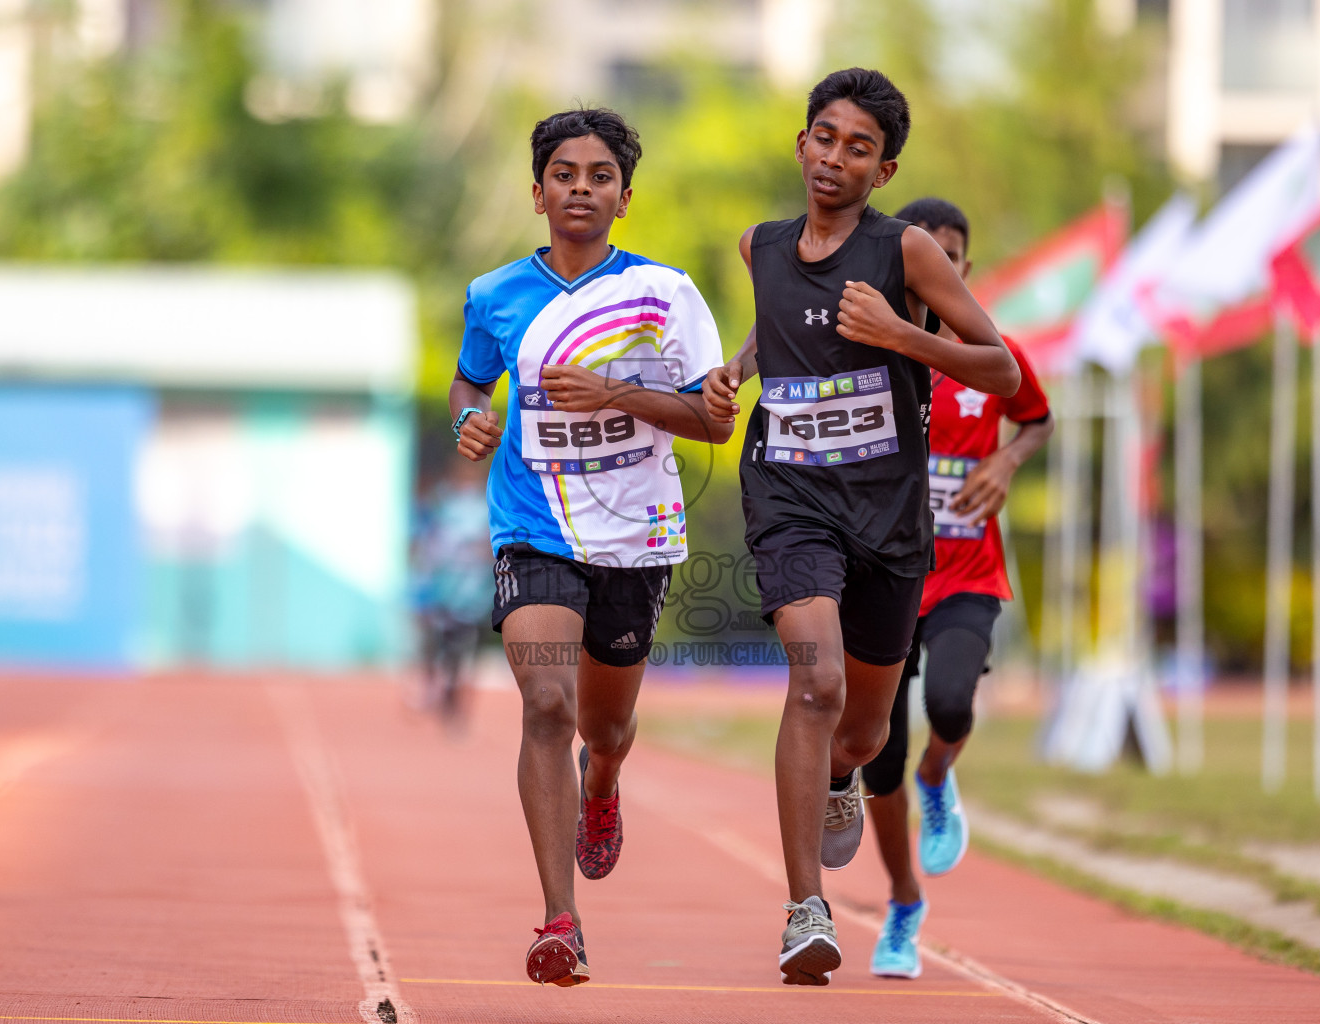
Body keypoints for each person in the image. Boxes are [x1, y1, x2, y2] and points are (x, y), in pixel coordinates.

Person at [703, 69, 1019, 986]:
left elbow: (999, 369)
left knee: (866, 730)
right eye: (825, 138)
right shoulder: (759, 245)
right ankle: (807, 909)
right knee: (816, 681)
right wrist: (735, 370)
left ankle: (844, 777)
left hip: (888, 513)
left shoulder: (908, 252)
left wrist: (901, 336)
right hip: (792, 497)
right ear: (801, 144)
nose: (836, 158)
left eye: (860, 148)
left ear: (884, 171)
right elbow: (783, 333)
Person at [450, 107, 730, 986]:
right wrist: (469, 418)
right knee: (544, 702)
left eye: (599, 175)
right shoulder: (494, 295)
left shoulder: (667, 294)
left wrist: (614, 393)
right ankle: (558, 920)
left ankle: (601, 785)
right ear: (537, 194)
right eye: (564, 174)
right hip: (532, 527)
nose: (581, 188)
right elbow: (469, 381)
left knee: (602, 727)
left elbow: (713, 419)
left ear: (625, 197)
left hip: (634, 535)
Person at [862, 197, 1054, 979]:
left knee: (950, 704)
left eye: (953, 256)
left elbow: (1037, 416)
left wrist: (1006, 461)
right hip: (882, 574)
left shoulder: (990, 351)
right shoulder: (867, 350)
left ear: (963, 272)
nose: (940, 267)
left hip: (967, 570)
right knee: (877, 756)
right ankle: (904, 905)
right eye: (924, 253)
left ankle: (939, 776)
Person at [410, 456, 494, 728]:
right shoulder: (443, 502)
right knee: (435, 638)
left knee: (461, 643)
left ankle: (452, 697)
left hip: (471, 588)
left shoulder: (486, 505)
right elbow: (428, 538)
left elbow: (490, 543)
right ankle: (433, 683)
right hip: (442, 585)